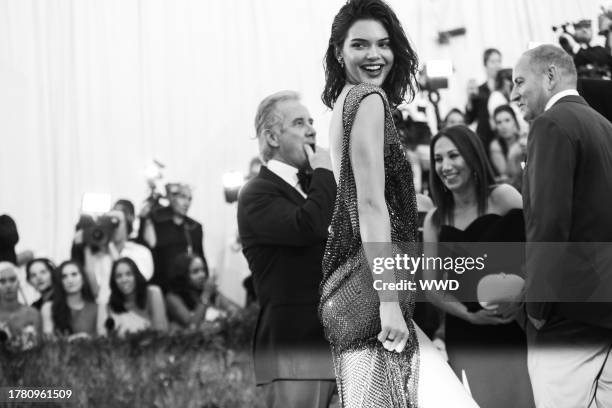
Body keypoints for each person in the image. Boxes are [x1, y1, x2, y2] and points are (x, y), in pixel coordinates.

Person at [320, 1, 477, 406]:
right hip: (373, 292)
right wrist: (389, 301)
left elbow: (361, 197)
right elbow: (370, 205)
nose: (374, 55)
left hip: (358, 284)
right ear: (339, 51)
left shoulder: (342, 103)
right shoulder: (369, 98)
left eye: (384, 44)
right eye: (360, 45)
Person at [510, 44, 612, 407]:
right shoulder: (605, 126)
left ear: (550, 76)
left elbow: (548, 224)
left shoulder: (550, 124)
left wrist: (536, 309)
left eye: (519, 81)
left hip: (567, 318)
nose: (513, 93)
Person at [237, 90, 338, 408]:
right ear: (272, 136)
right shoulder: (256, 193)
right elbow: (309, 226)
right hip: (292, 348)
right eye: (299, 122)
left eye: (311, 121)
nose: (311, 129)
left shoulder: (316, 187)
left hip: (336, 343)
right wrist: (324, 170)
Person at [422, 125, 534, 407]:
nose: (445, 166)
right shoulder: (435, 220)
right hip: (468, 334)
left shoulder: (504, 197)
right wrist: (470, 317)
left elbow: (542, 247)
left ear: (472, 157)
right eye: (438, 159)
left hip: (516, 326)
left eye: (453, 155)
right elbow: (432, 286)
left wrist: (522, 296)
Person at [140, 183, 206, 292]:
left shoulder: (194, 227)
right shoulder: (156, 223)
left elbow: (200, 255)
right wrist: (146, 220)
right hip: (162, 287)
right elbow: (146, 247)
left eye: (190, 199)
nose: (187, 203)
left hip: (188, 288)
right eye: (183, 197)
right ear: (171, 198)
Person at [82, 209, 153, 305]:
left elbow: (138, 283)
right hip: (104, 309)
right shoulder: (96, 257)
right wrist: (87, 242)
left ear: (126, 225)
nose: (113, 227)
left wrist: (111, 248)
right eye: (107, 222)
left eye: (116, 222)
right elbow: (95, 291)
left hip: (133, 309)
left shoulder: (141, 252)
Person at [165, 253, 237, 330]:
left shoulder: (207, 290)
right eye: (195, 272)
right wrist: (206, 295)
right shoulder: (172, 297)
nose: (202, 275)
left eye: (203, 270)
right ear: (182, 275)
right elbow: (192, 326)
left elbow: (235, 312)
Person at [99, 257, 167, 336]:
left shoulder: (152, 293)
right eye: (119, 276)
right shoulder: (110, 305)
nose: (124, 280)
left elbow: (161, 333)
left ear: (136, 276)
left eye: (129, 274)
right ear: (114, 281)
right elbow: (104, 337)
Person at [41, 260, 102, 339]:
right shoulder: (48, 307)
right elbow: (48, 339)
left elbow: (103, 338)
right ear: (60, 281)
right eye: (64, 276)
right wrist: (72, 339)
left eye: (74, 274)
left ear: (83, 278)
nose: (70, 280)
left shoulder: (97, 308)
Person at [465, 48, 502, 149]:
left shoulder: (506, 89)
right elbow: (469, 119)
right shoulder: (479, 90)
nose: (497, 65)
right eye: (493, 62)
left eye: (499, 61)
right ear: (485, 65)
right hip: (485, 139)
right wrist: (469, 98)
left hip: (503, 137)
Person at [0, 262, 41, 350]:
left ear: (19, 283)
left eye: (12, 280)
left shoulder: (32, 313)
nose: (8, 285)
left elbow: (40, 348)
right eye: (2, 281)